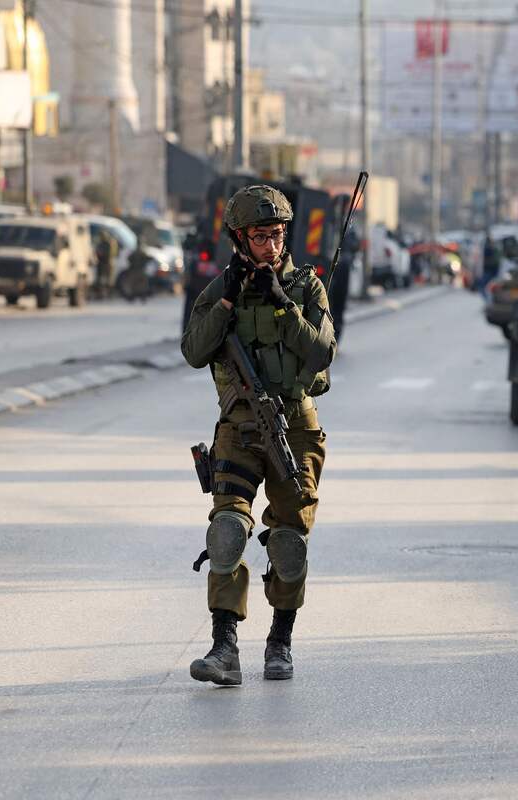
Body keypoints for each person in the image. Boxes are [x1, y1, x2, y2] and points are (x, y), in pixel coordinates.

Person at [181, 185, 337, 686]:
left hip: (295, 426)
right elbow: (193, 350)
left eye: (278, 235)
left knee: (289, 542)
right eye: (261, 236)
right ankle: (224, 647)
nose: (272, 245)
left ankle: (280, 642)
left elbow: (321, 355)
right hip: (238, 426)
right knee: (227, 532)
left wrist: (283, 306)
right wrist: (227, 300)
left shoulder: (306, 288)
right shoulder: (221, 289)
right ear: (239, 239)